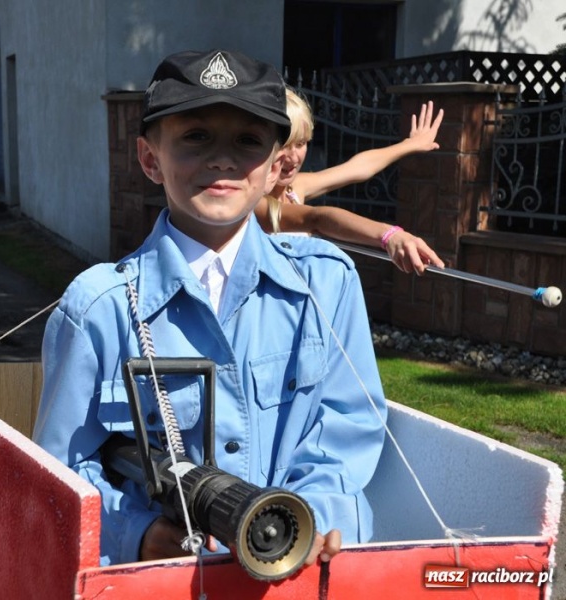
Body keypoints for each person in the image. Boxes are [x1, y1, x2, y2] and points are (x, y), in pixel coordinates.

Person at [33, 50, 386, 568]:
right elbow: (63, 469)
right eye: (196, 136)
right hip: (163, 579)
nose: (222, 159)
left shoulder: (323, 284)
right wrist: (136, 532)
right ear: (150, 159)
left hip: (300, 572)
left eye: (248, 141)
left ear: (277, 166)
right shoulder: (98, 310)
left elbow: (348, 428)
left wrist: (309, 516)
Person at [254, 88, 445, 275]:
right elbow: (316, 218)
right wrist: (388, 235)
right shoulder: (253, 201)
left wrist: (410, 144)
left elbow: (357, 168)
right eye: (285, 145)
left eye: (301, 143)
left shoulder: (295, 188)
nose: (294, 157)